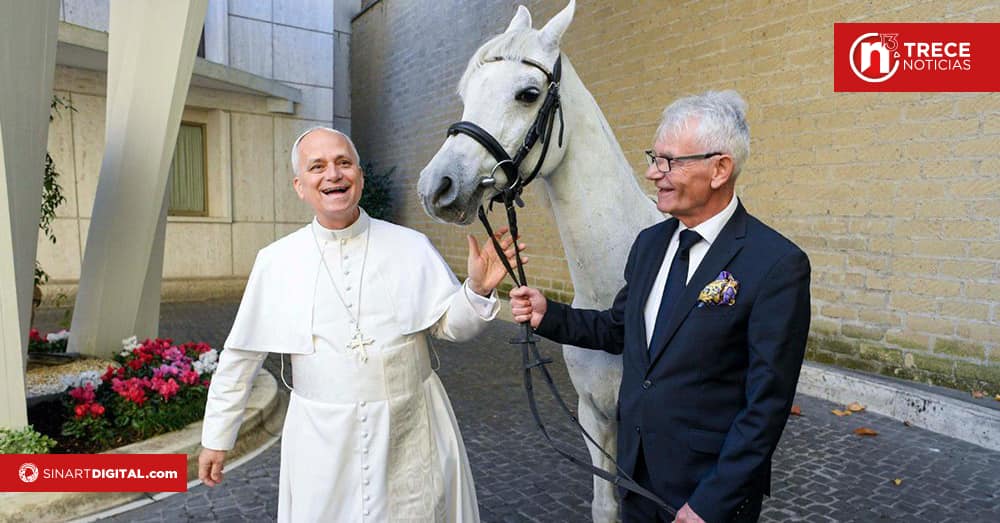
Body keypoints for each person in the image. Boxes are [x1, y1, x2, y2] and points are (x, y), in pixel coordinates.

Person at [510, 91, 811, 523]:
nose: (653, 173)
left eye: (670, 162)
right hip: (635, 477)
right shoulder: (650, 245)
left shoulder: (777, 265)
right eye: (655, 157)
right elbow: (619, 328)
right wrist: (548, 314)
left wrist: (712, 503)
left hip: (706, 497)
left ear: (719, 169)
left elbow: (765, 406)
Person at [199, 127, 524, 522]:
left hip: (412, 427)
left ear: (360, 176)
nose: (333, 174)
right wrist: (217, 437)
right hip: (321, 440)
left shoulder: (410, 245)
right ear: (300, 186)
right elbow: (240, 357)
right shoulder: (276, 261)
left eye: (343, 163)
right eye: (317, 167)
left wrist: (474, 290)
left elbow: (451, 327)